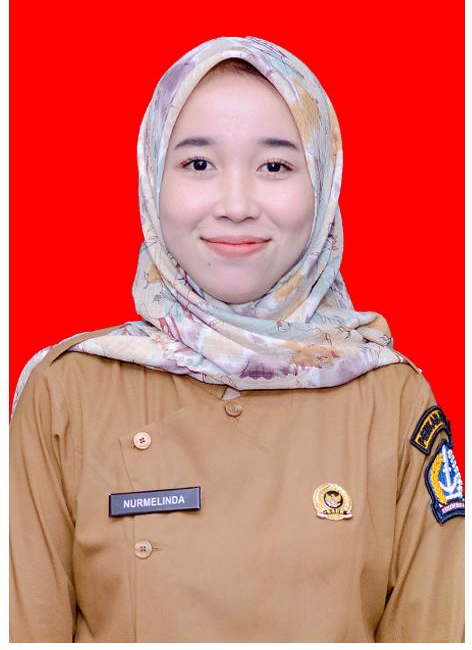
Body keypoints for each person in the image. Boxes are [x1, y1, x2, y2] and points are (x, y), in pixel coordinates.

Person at [9, 35, 464, 642]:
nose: (236, 204)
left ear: (324, 183)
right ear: (152, 179)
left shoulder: (391, 398)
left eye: (274, 166)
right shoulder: (67, 392)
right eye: (199, 164)